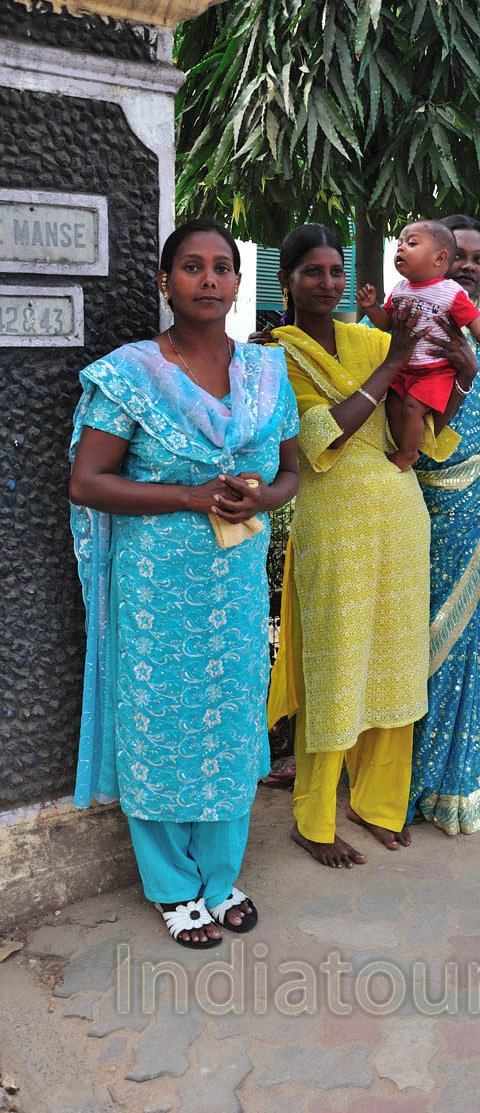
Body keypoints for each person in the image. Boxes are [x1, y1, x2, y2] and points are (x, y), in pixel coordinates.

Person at [69, 218, 299, 947]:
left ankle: (222, 876)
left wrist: (264, 495)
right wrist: (191, 496)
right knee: (161, 725)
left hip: (233, 587)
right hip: (155, 586)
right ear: (165, 282)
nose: (209, 279)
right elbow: (87, 481)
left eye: (222, 267)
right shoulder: (133, 372)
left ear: (238, 281)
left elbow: (292, 470)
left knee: (230, 725)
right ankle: (172, 887)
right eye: (192, 267)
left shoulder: (267, 372)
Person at [265, 223, 475, 867]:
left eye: (336, 272)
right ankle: (313, 817)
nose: (327, 283)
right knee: (336, 667)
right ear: (288, 281)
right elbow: (313, 440)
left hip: (400, 514)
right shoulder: (276, 353)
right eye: (312, 272)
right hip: (334, 525)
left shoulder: (371, 336)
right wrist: (391, 366)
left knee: (392, 665)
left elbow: (424, 421)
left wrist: (461, 379)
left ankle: (377, 803)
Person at [407, 213, 480, 834]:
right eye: (463, 257)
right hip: (418, 499)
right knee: (410, 637)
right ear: (439, 260)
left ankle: (451, 784)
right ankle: (396, 786)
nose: (472, 268)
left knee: (463, 645)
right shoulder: (414, 326)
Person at [357, 219, 480, 470]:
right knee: (393, 404)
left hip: (433, 373)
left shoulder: (451, 296)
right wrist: (371, 307)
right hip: (391, 476)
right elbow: (385, 321)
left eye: (479, 259)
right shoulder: (400, 290)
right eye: (460, 256)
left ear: (439, 258)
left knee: (412, 406)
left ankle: (407, 454)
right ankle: (405, 451)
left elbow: (474, 321)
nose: (468, 266)